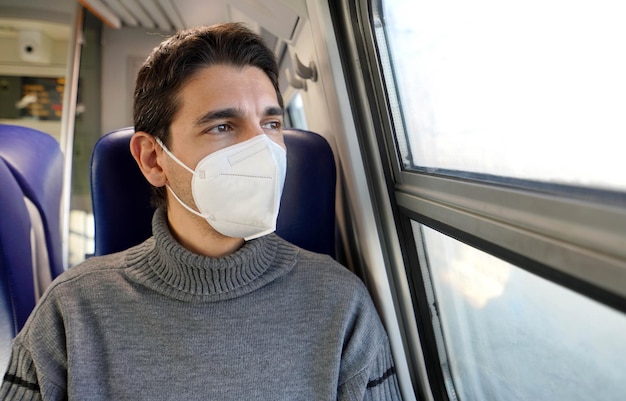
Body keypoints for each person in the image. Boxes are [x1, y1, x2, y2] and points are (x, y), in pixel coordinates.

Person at [1, 23, 402, 400]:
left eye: (272, 123)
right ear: (153, 159)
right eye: (222, 126)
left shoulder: (341, 303)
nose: (261, 150)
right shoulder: (72, 310)